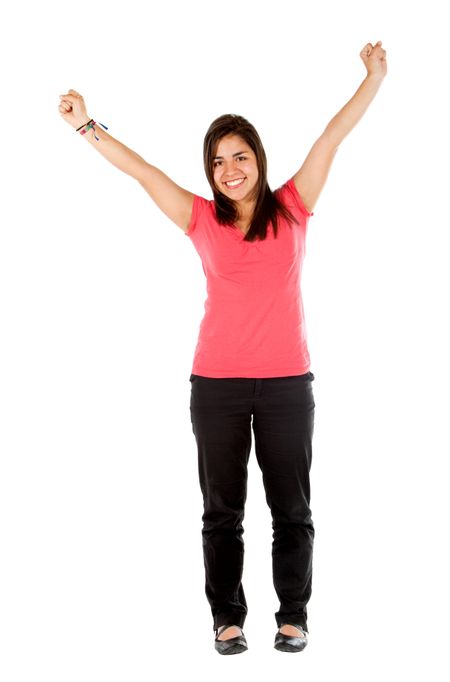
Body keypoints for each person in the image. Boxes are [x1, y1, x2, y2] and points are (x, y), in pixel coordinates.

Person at [58, 40, 387, 655]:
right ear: (210, 172)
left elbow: (332, 135)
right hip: (216, 387)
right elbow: (144, 171)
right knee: (222, 513)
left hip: (290, 384)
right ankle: (227, 619)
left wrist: (374, 77)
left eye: (239, 156)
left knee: (293, 509)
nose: (229, 168)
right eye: (217, 161)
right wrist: (86, 125)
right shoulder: (200, 217)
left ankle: (293, 615)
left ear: (257, 158)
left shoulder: (294, 205)